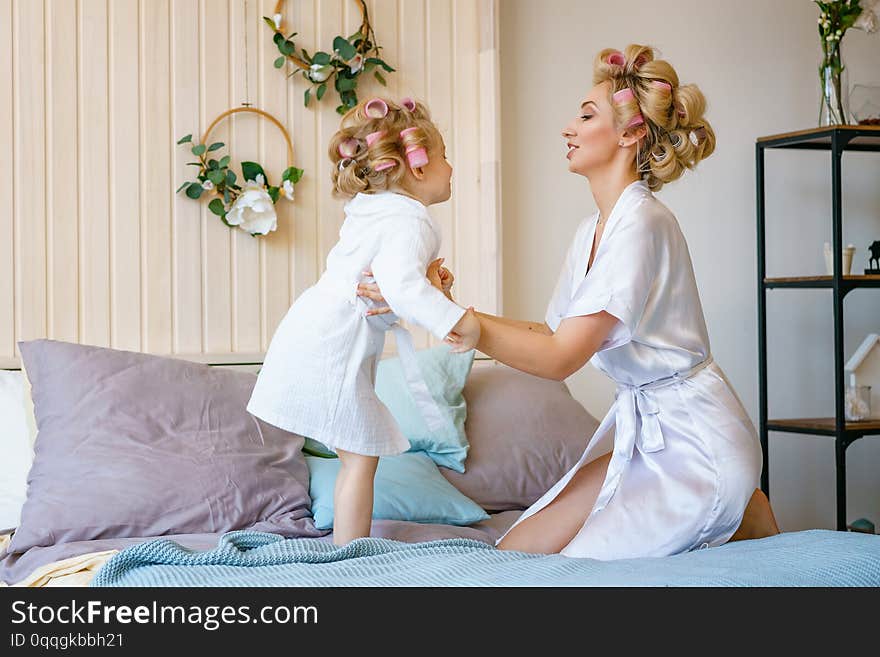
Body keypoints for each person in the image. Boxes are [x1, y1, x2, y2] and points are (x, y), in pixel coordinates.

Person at [357, 44, 780, 560]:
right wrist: (446, 303)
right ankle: (746, 515)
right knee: (516, 550)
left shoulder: (643, 223)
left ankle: (741, 511)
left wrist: (452, 317)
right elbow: (550, 332)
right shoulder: (592, 230)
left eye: (586, 115)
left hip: (695, 440)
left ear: (631, 133)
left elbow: (560, 360)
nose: (568, 129)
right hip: (647, 431)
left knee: (575, 568)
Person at [247, 96, 481, 546]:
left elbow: (391, 283)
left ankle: (348, 549)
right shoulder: (412, 221)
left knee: (359, 454)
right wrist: (455, 321)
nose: (452, 168)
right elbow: (400, 285)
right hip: (334, 346)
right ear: (417, 168)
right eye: (446, 157)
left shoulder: (374, 210)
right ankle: (349, 555)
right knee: (361, 457)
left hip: (312, 330)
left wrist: (434, 288)